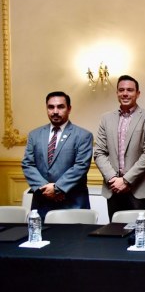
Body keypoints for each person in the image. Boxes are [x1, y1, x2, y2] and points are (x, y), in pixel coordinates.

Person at [94, 75, 145, 219]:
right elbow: (99, 152)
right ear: (117, 93)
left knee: (140, 235)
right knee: (115, 233)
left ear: (138, 93)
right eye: (121, 90)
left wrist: (125, 180)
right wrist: (113, 179)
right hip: (113, 188)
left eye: (130, 90)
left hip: (139, 189)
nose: (125, 93)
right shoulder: (106, 118)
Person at [22, 91, 94, 219]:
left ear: (69, 109)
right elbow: (28, 164)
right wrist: (45, 189)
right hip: (42, 203)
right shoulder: (35, 135)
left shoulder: (83, 135)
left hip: (73, 203)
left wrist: (57, 188)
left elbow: (81, 166)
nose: (55, 111)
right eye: (51, 107)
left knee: (74, 239)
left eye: (60, 107)